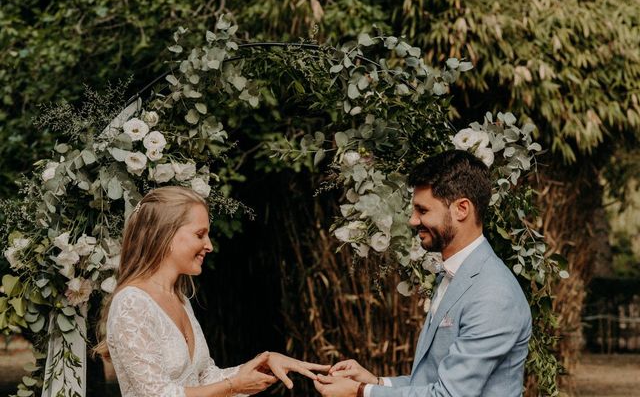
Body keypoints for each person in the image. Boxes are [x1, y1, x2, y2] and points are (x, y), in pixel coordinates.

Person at [314, 150, 532, 397]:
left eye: (423, 210)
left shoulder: (494, 294)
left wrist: (360, 392)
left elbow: (447, 394)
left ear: (462, 209)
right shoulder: (454, 275)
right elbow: (433, 380)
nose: (412, 221)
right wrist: (375, 382)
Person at [95, 186, 328, 396]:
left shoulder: (179, 299)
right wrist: (233, 386)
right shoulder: (132, 302)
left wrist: (262, 363)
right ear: (165, 236)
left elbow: (204, 377)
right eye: (200, 234)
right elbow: (156, 395)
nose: (209, 245)